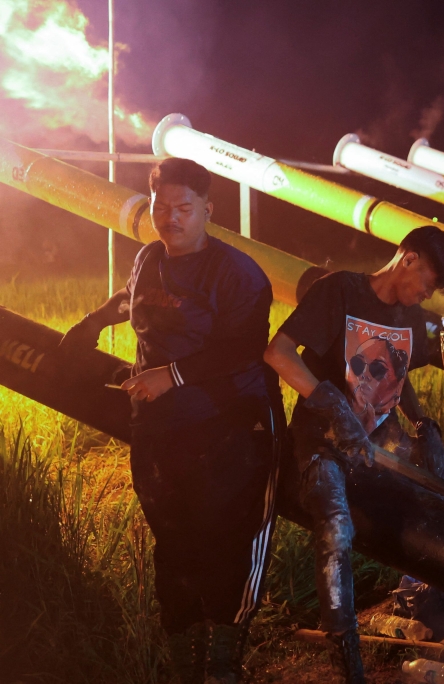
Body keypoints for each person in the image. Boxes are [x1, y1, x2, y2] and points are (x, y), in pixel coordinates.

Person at [59, 159, 280, 683]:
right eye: (162, 207)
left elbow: (247, 348)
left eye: (184, 208)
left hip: (227, 428)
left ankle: (224, 662)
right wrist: (90, 322)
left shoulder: (237, 273)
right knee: (173, 542)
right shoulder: (147, 258)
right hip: (159, 430)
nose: (171, 218)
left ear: (208, 209)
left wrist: (172, 375)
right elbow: (131, 299)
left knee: (223, 540)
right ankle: (185, 663)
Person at [263, 225, 444, 683]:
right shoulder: (340, 290)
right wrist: (334, 405)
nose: (425, 296)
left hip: (383, 445)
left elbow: (398, 377)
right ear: (409, 258)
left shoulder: (412, 317)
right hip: (325, 442)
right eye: (427, 284)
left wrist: (423, 426)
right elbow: (278, 353)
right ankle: (347, 658)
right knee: (337, 528)